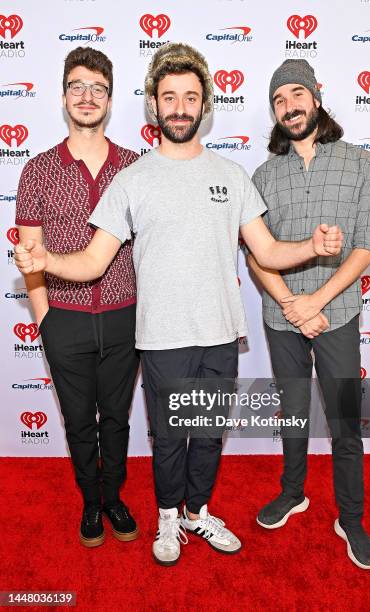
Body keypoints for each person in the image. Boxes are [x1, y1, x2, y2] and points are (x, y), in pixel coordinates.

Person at [15, 43, 343, 566]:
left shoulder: (232, 175)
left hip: (219, 333)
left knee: (209, 435)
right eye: (169, 97)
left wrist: (310, 247)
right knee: (168, 438)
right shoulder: (131, 179)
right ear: (153, 106)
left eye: (191, 97)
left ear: (205, 104)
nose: (180, 107)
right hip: (161, 337)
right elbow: (94, 262)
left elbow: (267, 250)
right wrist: (46, 257)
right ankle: (168, 517)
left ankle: (197, 511)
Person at [248, 59, 370, 570]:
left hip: (338, 314)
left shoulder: (360, 163)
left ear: (316, 96)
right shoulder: (263, 175)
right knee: (292, 412)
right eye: (279, 100)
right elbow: (257, 253)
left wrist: (317, 302)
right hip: (282, 316)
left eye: (296, 95)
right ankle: (293, 492)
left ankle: (350, 516)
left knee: (345, 420)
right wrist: (291, 304)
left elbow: (368, 244)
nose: (289, 107)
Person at [15, 47, 140, 548]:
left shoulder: (134, 167)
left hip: (124, 316)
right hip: (63, 317)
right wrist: (45, 320)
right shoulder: (38, 169)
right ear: (64, 95)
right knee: (78, 423)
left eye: (98, 88)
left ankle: (113, 497)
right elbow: (30, 253)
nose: (87, 97)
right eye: (78, 86)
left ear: (110, 99)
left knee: (116, 417)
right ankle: (90, 502)